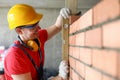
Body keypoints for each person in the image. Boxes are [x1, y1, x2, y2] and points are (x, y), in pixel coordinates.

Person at [4, 4, 70, 80]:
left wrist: (62, 15)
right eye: (33, 27)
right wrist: (60, 77)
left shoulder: (36, 38)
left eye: (37, 24)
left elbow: (57, 27)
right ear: (19, 31)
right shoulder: (15, 57)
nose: (39, 28)